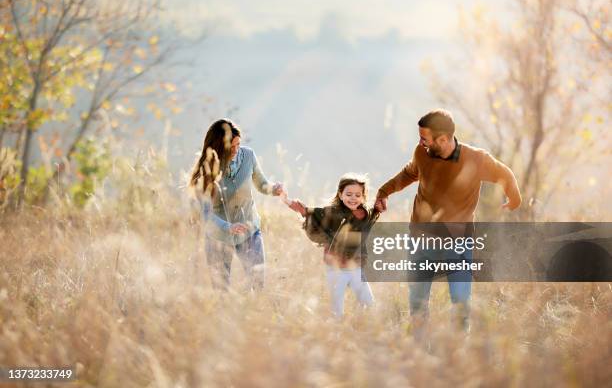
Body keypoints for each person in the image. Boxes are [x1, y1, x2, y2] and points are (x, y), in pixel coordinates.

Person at [374, 109, 522, 334]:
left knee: (461, 303)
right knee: (417, 303)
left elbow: (506, 174)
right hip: (420, 241)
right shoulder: (422, 153)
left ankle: (458, 352)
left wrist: (515, 199)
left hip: (458, 243)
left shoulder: (476, 159)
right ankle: (420, 351)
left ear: (442, 139)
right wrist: (384, 192)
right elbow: (409, 173)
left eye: (424, 138)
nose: (420, 142)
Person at [190, 119, 283, 291]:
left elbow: (261, 183)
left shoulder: (248, 156)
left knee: (257, 285)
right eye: (230, 147)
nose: (235, 150)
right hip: (218, 237)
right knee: (221, 291)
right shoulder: (207, 169)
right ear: (218, 147)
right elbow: (205, 214)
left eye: (238, 145)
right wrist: (228, 227)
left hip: (249, 231)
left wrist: (273, 189)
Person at [288, 173, 379, 318]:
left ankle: (363, 325)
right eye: (348, 194)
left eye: (357, 195)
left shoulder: (365, 215)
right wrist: (301, 209)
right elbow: (314, 213)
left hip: (355, 267)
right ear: (340, 194)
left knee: (368, 303)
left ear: (363, 196)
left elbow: (374, 213)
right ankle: (336, 331)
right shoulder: (332, 213)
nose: (353, 198)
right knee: (336, 308)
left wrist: (379, 207)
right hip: (335, 268)